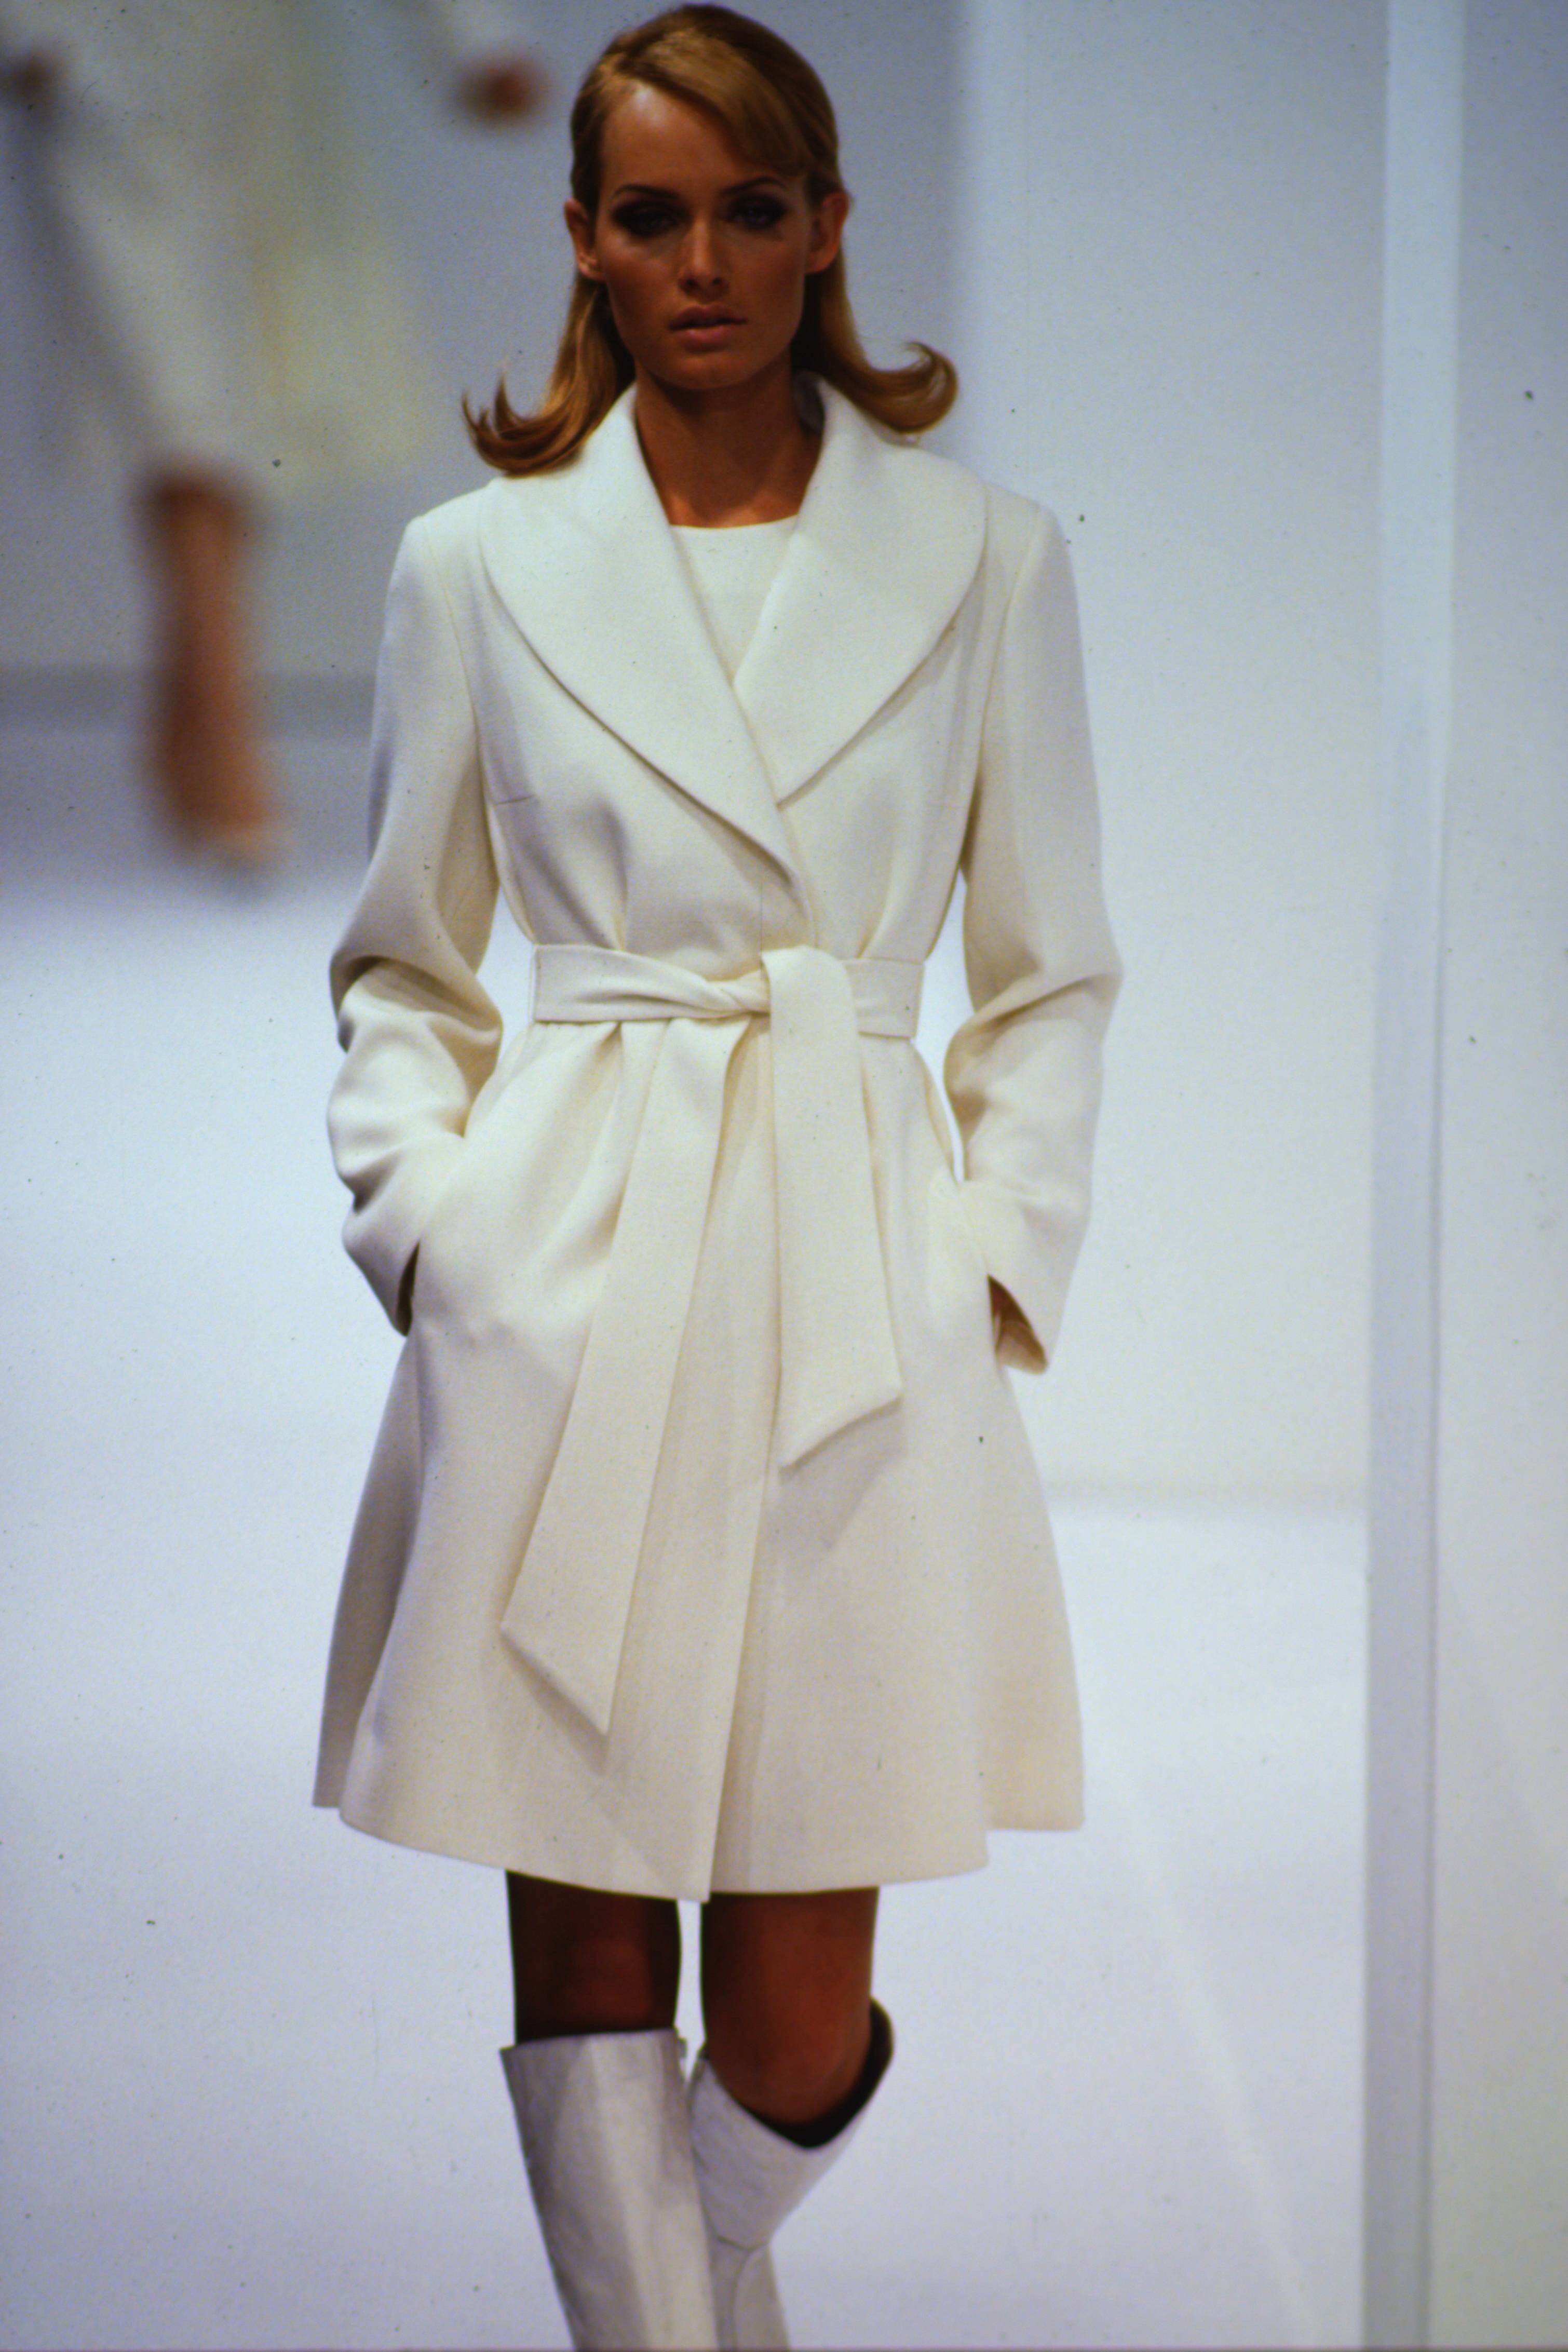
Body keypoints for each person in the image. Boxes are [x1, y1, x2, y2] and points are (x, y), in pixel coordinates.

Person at [315, 6, 1121, 2344]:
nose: (701, 264)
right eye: (651, 216)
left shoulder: (985, 562)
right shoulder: (475, 566)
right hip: (570, 1274)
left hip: (852, 1287)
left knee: (788, 2017)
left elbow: (1050, 967)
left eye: (750, 212)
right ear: (580, 238)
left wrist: (985, 1259)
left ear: (827, 227)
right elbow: (403, 957)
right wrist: (436, 1234)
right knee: (582, 1944)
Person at [0, 0, 544, 869]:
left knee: (246, 392)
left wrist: (471, 40)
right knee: (166, 384)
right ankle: (224, 729)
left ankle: (191, 715)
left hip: (256, 72)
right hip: (100, 57)